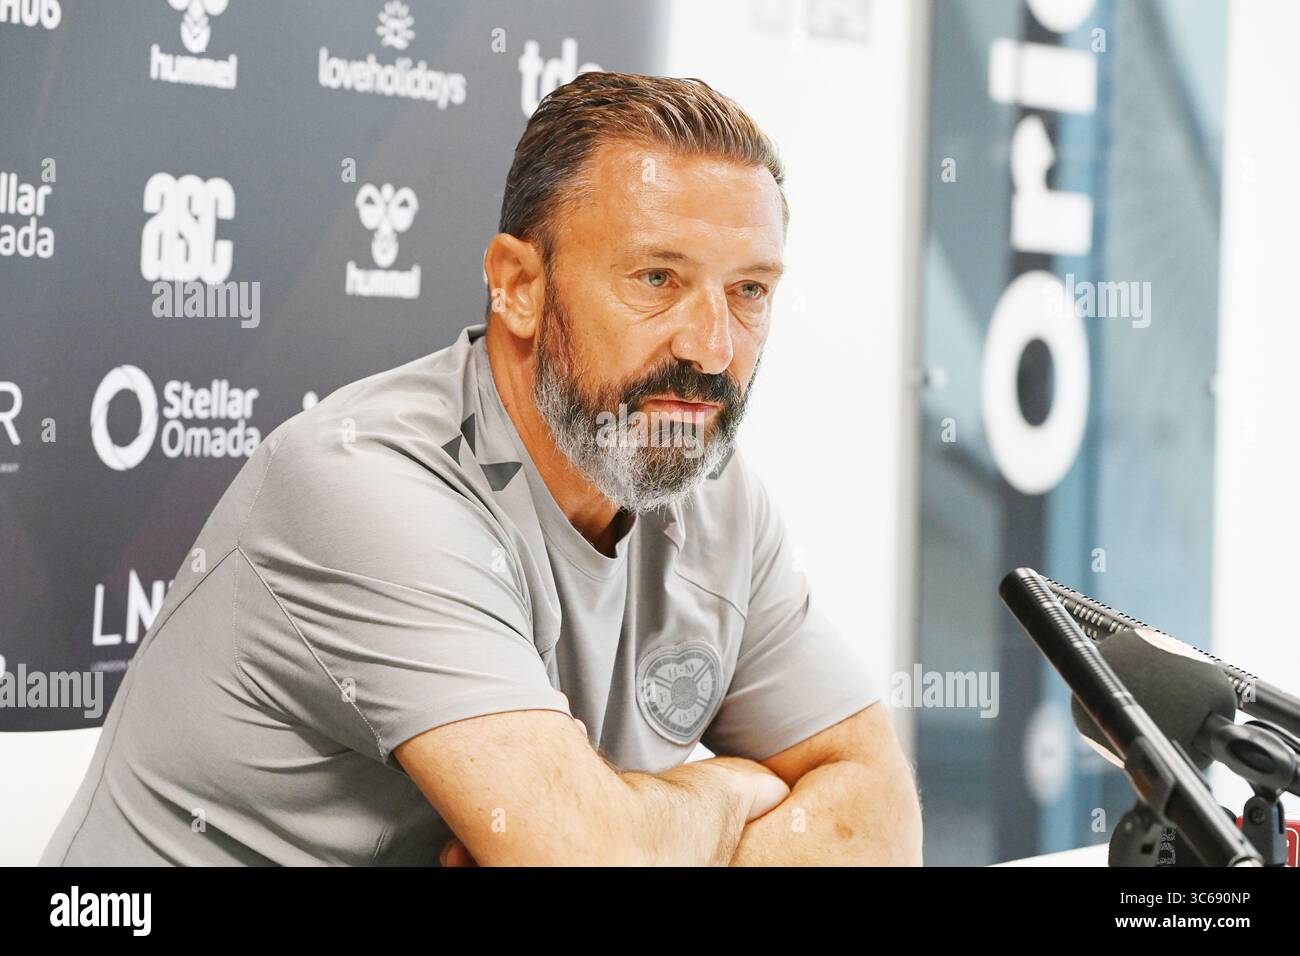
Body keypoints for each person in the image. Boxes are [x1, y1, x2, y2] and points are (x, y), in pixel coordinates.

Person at [42, 71, 922, 866]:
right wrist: (730, 791)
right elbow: (585, 861)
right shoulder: (367, 484)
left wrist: (631, 825)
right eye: (657, 278)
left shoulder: (719, 502)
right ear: (518, 285)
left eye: (750, 291)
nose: (712, 347)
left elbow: (879, 820)